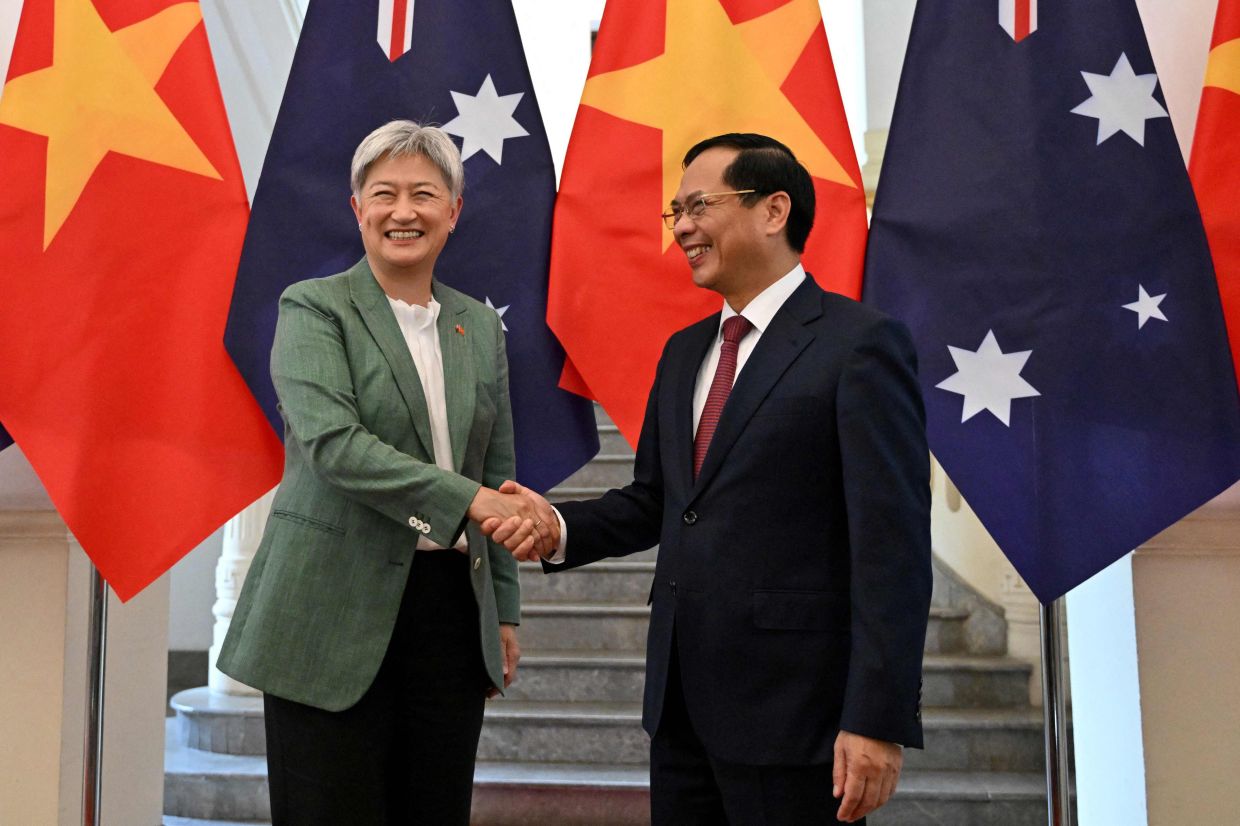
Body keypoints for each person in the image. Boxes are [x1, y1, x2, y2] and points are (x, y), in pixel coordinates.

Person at [489, 133, 932, 824]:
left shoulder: (859, 346)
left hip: (798, 717)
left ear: (774, 209)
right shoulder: (686, 351)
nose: (684, 228)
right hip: (683, 709)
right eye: (676, 213)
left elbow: (892, 547)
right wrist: (558, 526)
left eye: (699, 205)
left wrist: (876, 718)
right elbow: (660, 502)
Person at [217, 121, 550, 825]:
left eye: (425, 194)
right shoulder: (313, 308)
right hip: (326, 610)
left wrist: (506, 611)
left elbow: (498, 468)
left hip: (448, 615)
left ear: (454, 211)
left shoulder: (478, 327)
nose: (405, 212)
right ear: (357, 208)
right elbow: (336, 446)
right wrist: (471, 503)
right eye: (385, 194)